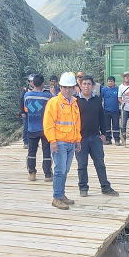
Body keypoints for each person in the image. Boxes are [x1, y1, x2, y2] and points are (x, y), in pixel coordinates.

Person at [43, 72, 82, 210]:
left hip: (71, 142)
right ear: (60, 87)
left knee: (65, 170)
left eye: (70, 87)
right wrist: (52, 141)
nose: (67, 90)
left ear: (73, 88)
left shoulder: (74, 103)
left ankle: (61, 194)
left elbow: (77, 123)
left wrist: (78, 140)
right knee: (60, 170)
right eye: (65, 87)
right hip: (59, 142)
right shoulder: (54, 103)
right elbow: (48, 124)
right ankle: (56, 197)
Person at [76, 75, 119, 198]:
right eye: (84, 84)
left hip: (95, 137)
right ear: (80, 85)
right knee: (82, 165)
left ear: (93, 86)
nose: (86, 86)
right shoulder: (75, 101)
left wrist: (104, 133)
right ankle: (83, 188)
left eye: (89, 84)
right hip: (80, 138)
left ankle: (105, 187)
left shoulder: (96, 100)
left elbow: (102, 117)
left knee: (100, 163)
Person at [24, 74, 53, 182]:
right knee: (46, 152)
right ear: (42, 84)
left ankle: (32, 173)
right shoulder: (48, 97)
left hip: (31, 128)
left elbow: (27, 107)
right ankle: (47, 174)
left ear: (33, 83)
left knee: (31, 152)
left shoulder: (27, 95)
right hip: (45, 129)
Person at [100, 75, 120, 145]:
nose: (110, 83)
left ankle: (117, 140)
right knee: (107, 126)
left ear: (114, 82)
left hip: (115, 110)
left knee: (116, 126)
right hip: (106, 110)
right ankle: (108, 139)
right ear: (107, 82)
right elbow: (100, 98)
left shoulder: (117, 89)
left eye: (111, 81)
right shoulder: (104, 90)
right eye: (109, 81)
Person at [21, 74, 34, 149]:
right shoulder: (25, 90)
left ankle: (32, 142)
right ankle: (26, 142)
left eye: (33, 81)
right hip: (26, 112)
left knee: (32, 127)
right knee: (26, 127)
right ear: (29, 82)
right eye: (31, 81)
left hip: (34, 112)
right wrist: (22, 112)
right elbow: (21, 101)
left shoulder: (38, 90)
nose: (32, 83)